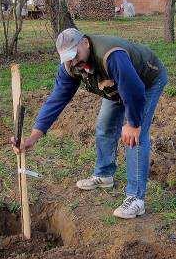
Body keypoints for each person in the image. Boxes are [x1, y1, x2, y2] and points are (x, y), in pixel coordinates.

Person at [12, 28, 168, 219]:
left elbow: (134, 89)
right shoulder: (71, 66)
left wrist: (133, 123)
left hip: (146, 81)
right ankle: (104, 175)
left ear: (85, 43)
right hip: (115, 85)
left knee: (134, 138)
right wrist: (33, 137)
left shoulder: (111, 55)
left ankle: (136, 199)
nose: (73, 61)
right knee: (104, 126)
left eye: (75, 55)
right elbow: (57, 99)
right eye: (68, 58)